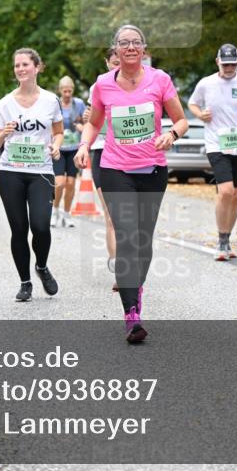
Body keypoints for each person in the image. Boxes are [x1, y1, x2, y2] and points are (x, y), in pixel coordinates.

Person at [75, 25, 188, 343]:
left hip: (152, 170)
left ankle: (135, 287)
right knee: (126, 237)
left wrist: (172, 134)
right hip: (115, 169)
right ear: (115, 49)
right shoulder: (103, 84)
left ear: (144, 48)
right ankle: (132, 316)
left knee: (143, 241)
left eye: (136, 42)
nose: (130, 47)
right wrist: (84, 146)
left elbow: (182, 120)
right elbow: (94, 123)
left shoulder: (159, 79)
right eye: (124, 43)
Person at [0, 48, 63, 302]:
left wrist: (56, 146)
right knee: (19, 229)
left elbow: (59, 132)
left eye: (25, 64)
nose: (20, 69)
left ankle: (41, 266)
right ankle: (25, 283)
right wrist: (4, 132)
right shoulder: (5, 103)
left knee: (40, 226)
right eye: (17, 65)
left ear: (37, 67)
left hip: (41, 171)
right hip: (11, 172)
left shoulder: (50, 100)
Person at [188, 43, 237, 260]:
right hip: (217, 144)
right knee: (225, 191)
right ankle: (221, 241)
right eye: (225, 65)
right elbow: (193, 103)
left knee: (236, 194)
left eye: (233, 64)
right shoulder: (206, 83)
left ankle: (227, 238)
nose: (229, 68)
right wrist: (200, 115)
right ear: (217, 62)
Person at [83, 47, 121, 287]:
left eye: (122, 62)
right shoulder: (98, 86)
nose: (118, 66)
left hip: (131, 154)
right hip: (102, 151)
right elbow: (91, 120)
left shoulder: (138, 85)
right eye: (114, 62)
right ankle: (119, 267)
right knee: (112, 215)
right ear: (107, 63)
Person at [51, 76, 86, 228]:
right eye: (64, 91)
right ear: (60, 90)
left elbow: (87, 123)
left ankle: (66, 214)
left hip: (74, 149)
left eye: (70, 91)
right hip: (59, 149)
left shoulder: (79, 104)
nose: (67, 94)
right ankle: (54, 211)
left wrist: (81, 127)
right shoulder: (55, 104)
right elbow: (49, 123)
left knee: (71, 184)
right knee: (59, 183)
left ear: (73, 90)